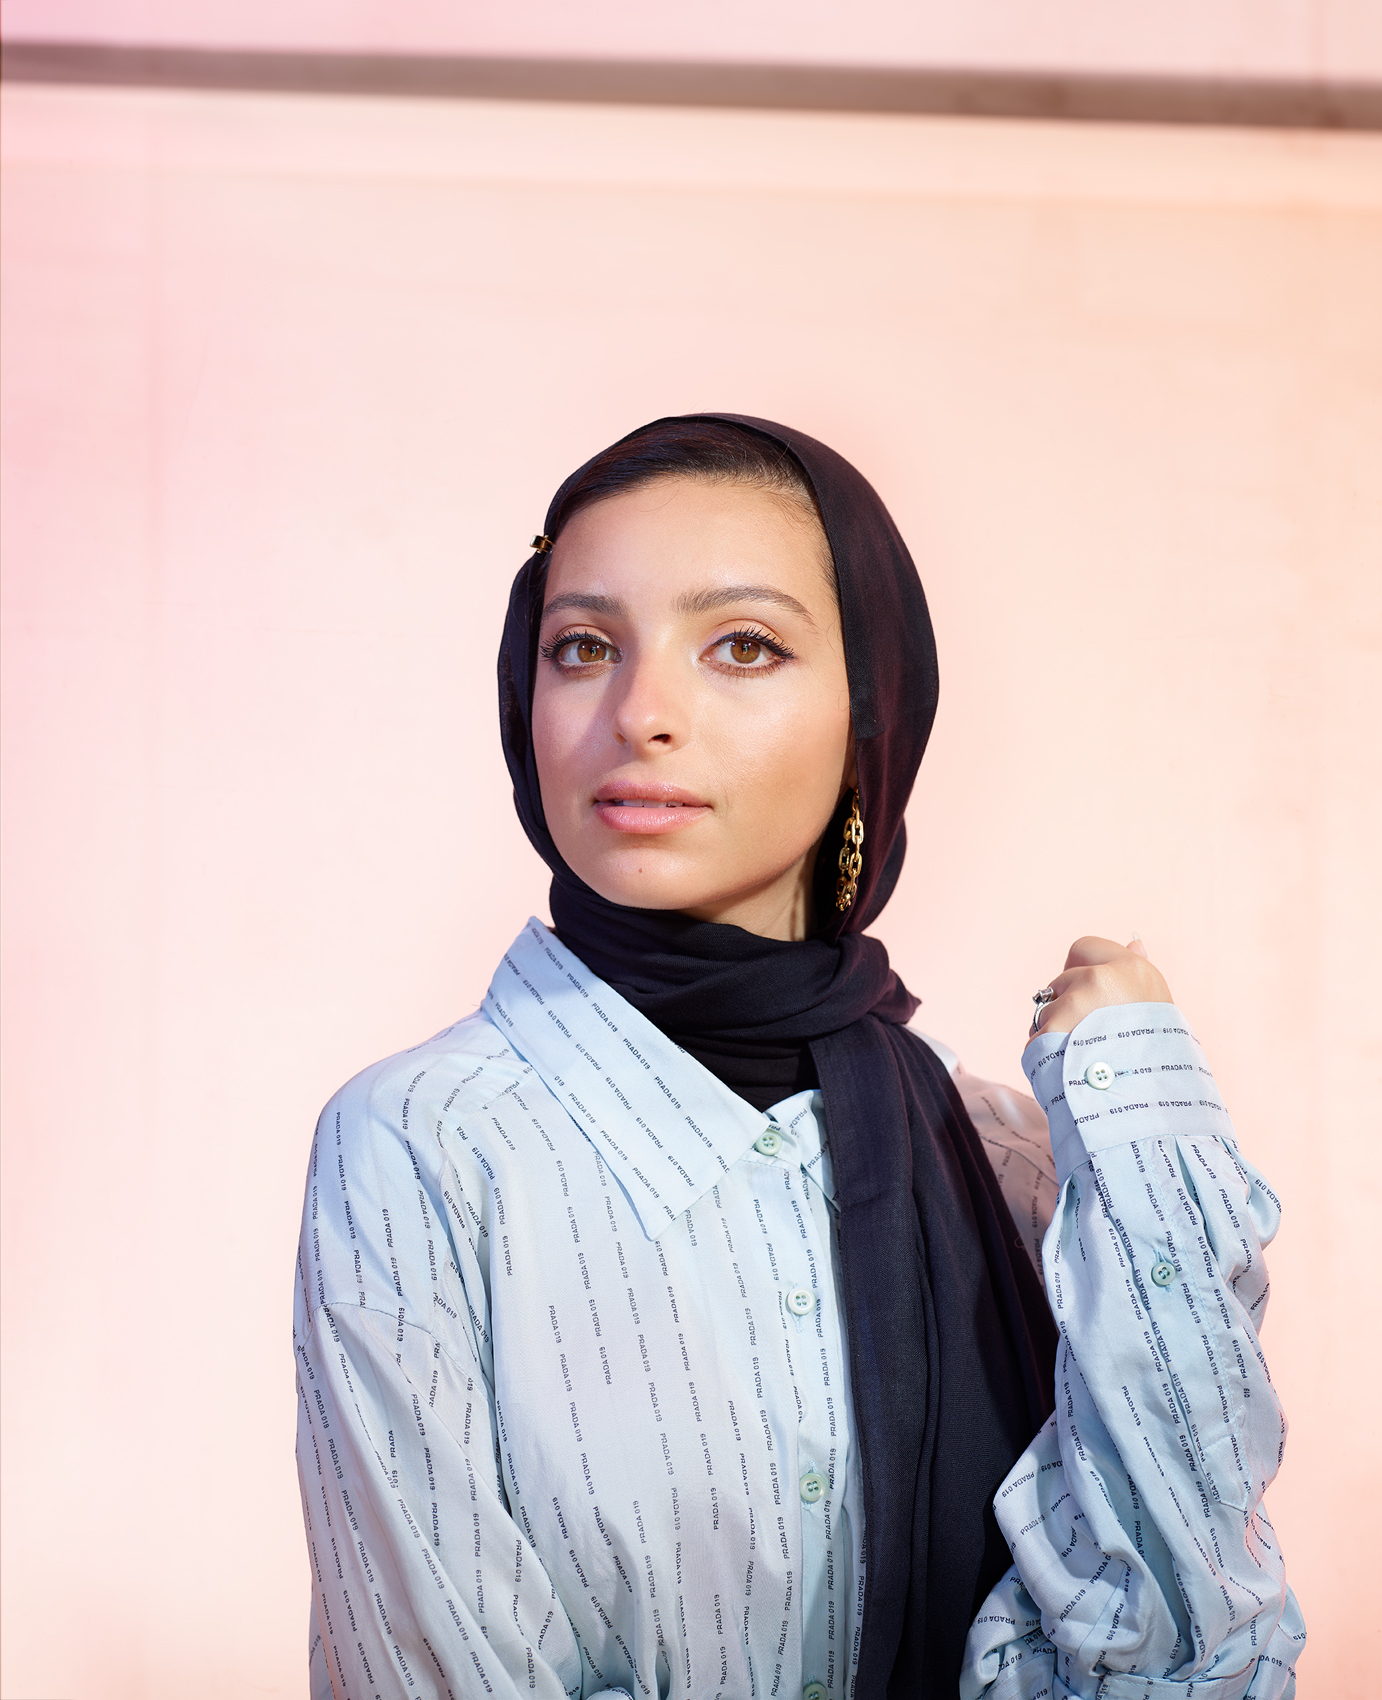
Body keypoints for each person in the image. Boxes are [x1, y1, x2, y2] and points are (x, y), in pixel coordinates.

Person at [293, 415, 1304, 1700]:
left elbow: (1180, 1649)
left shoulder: (1010, 1160)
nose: (639, 714)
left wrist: (1141, 1121)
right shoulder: (424, 1143)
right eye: (583, 646)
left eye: (742, 646)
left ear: (868, 714)